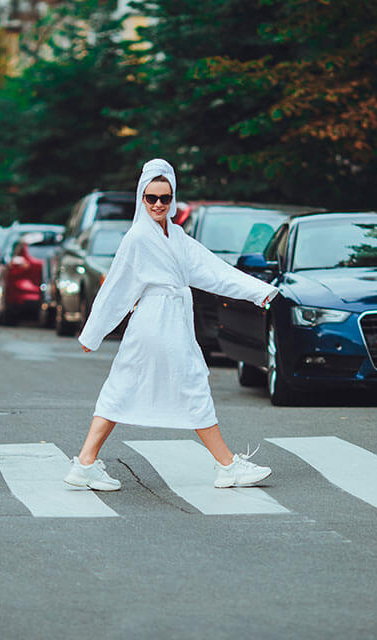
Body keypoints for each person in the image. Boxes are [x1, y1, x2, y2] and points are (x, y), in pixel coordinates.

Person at [63, 158, 279, 492]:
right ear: (141, 198)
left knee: (123, 387)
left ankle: (86, 462)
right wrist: (93, 332)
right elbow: (116, 289)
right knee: (190, 383)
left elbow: (212, 271)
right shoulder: (137, 238)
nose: (159, 205)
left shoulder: (175, 236)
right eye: (151, 198)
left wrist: (259, 292)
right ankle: (227, 465)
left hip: (171, 321)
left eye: (165, 198)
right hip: (155, 323)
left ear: (173, 198)